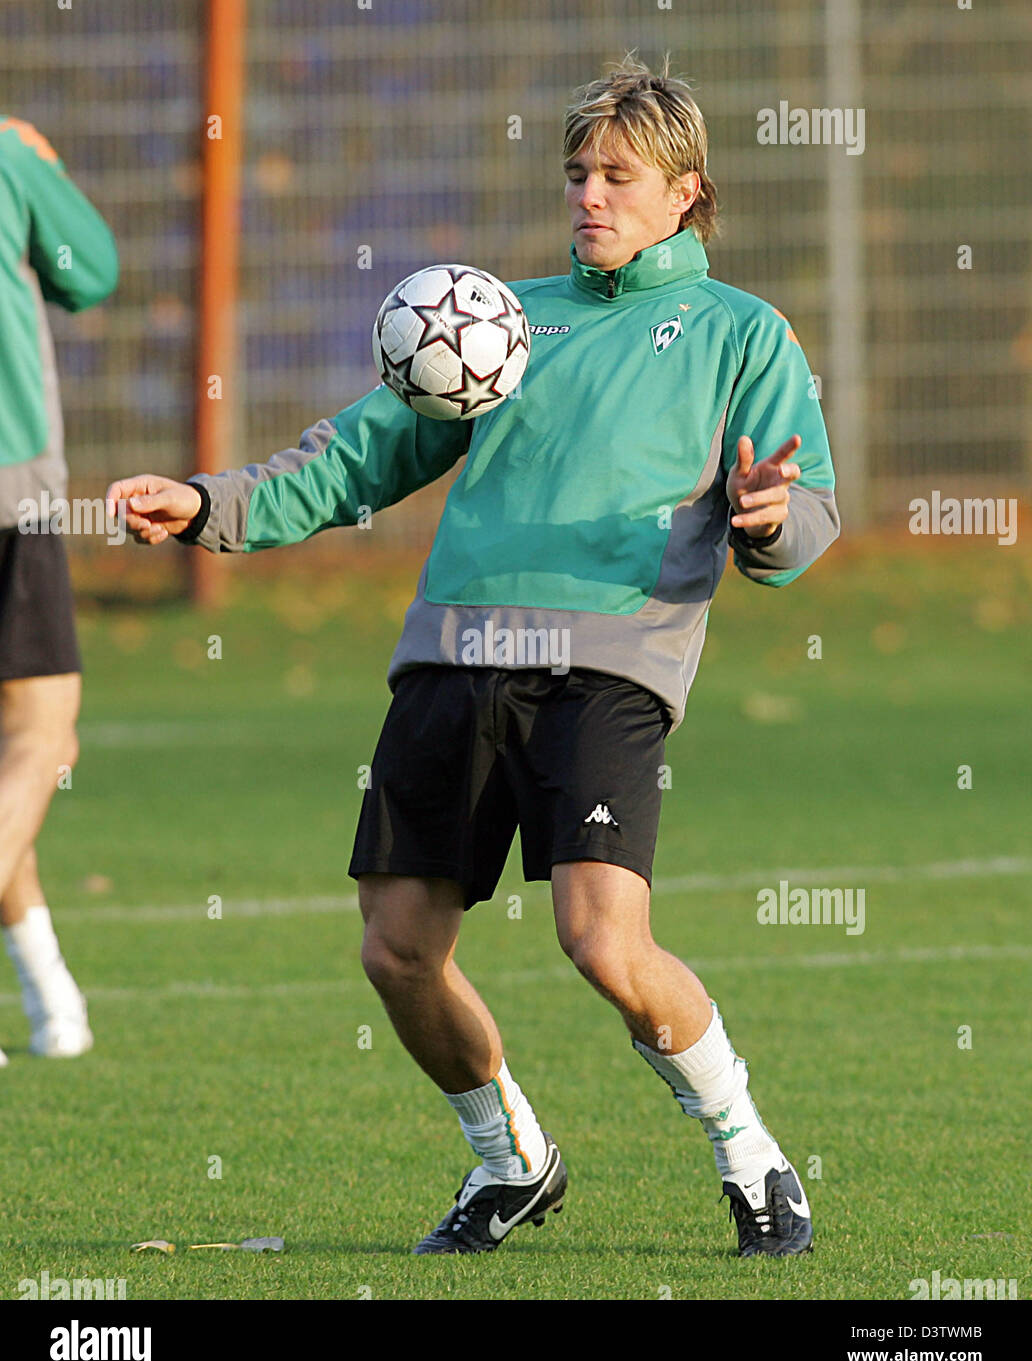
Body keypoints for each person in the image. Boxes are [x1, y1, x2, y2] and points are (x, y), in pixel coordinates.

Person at [106, 56, 838, 1256]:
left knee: (604, 940)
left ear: (686, 192)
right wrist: (206, 502)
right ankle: (512, 1160)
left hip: (611, 664)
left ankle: (750, 1156)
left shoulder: (740, 333)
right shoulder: (499, 319)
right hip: (453, 657)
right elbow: (354, 458)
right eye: (577, 174)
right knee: (396, 949)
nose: (590, 195)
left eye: (618, 175)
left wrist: (769, 519)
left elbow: (806, 512)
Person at [0, 116, 118, 1064]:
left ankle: (53, 1002)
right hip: (10, 488)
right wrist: (42, 166)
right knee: (43, 740)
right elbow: (92, 272)